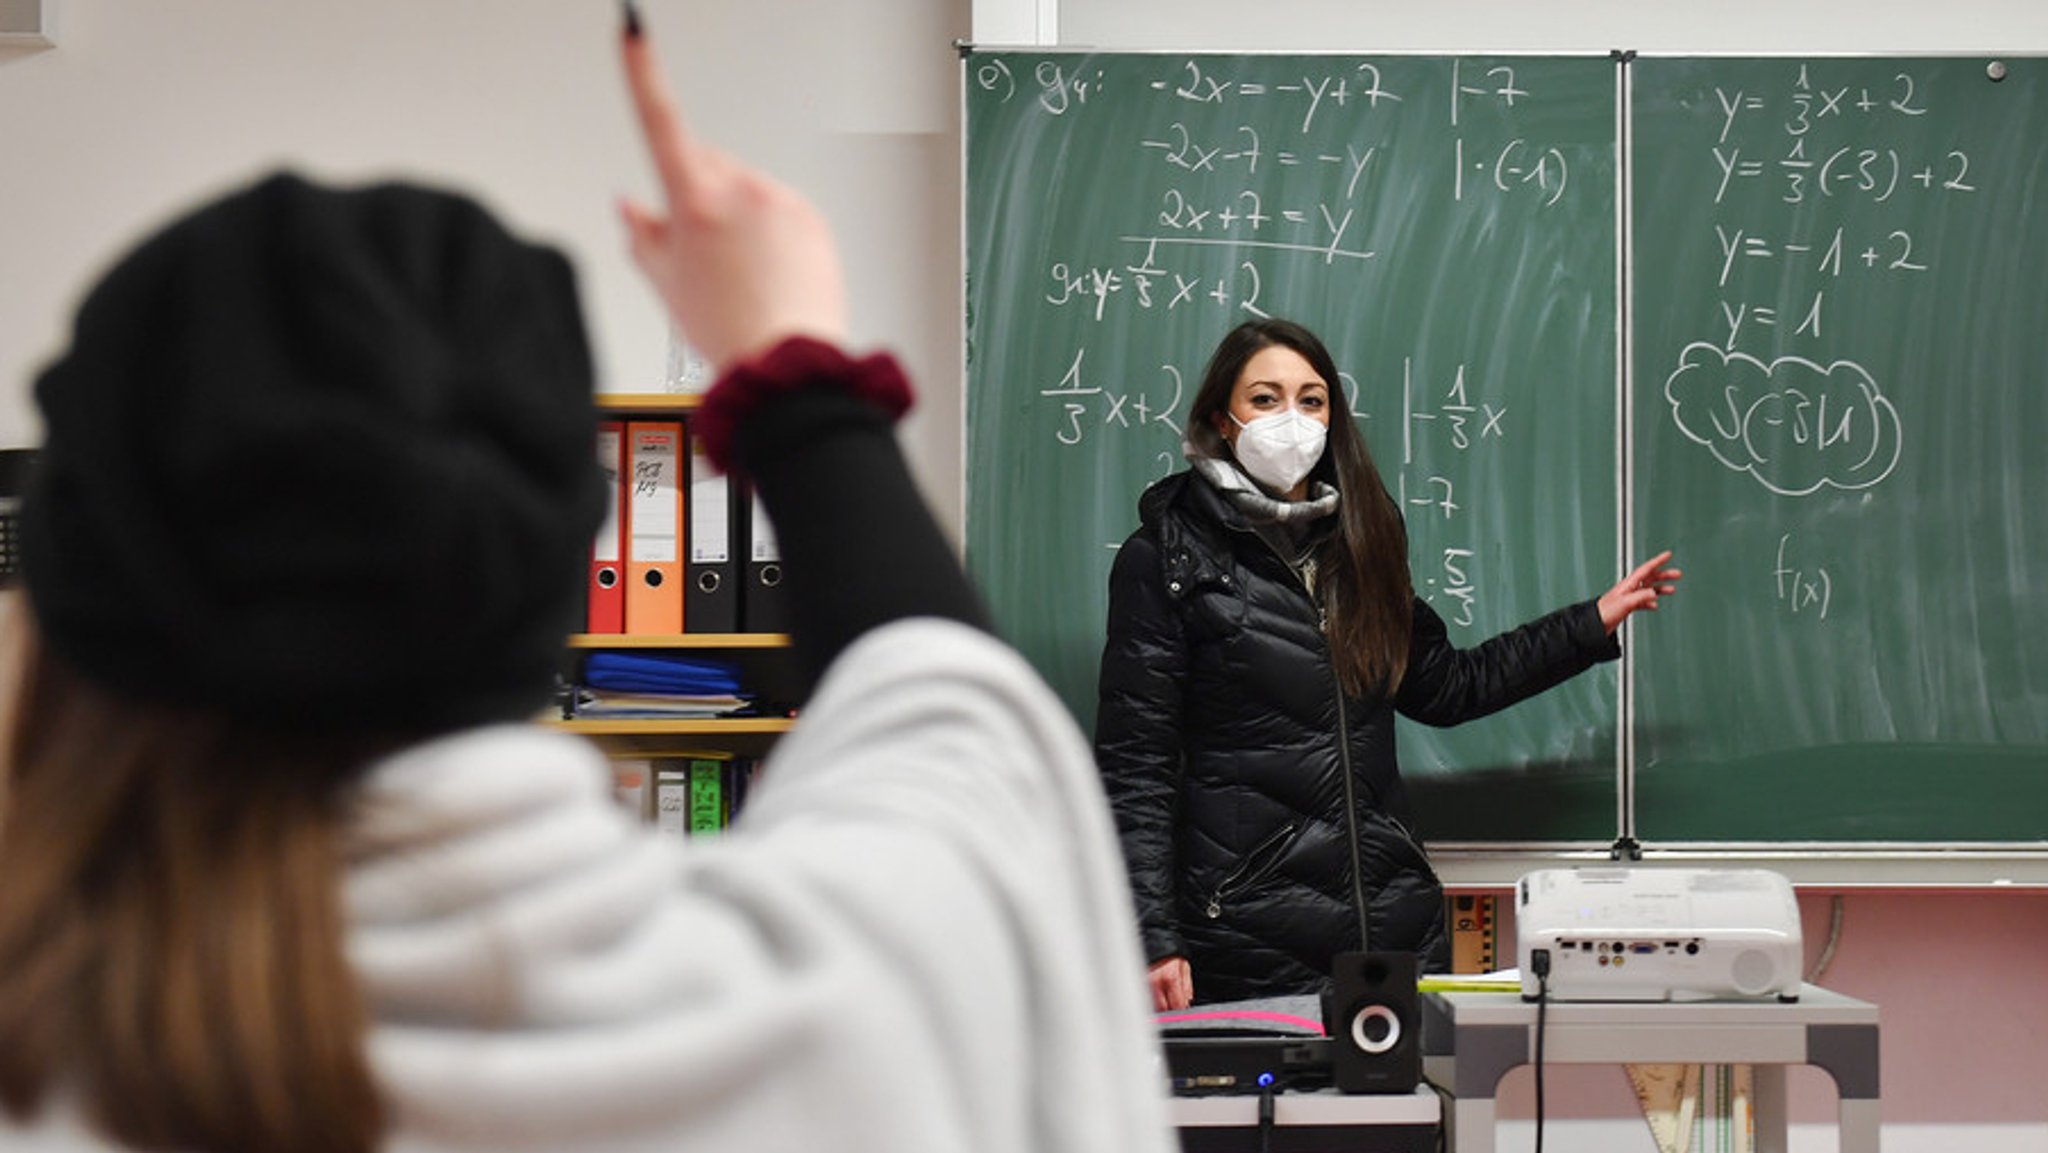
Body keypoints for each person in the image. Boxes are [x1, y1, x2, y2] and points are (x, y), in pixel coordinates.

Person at [0, 11, 1175, 1153]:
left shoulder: (47, 1082)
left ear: (71, 603)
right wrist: (786, 363)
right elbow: (948, 704)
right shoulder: (866, 980)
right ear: (570, 560)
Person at [1095, 317, 1681, 1011]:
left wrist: (1588, 624)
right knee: (1272, 1116)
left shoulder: (1361, 541)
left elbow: (1450, 686)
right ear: (1222, 419)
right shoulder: (1166, 557)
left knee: (1406, 1117)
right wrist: (1153, 935)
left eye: (1312, 400)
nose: (1292, 419)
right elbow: (1137, 767)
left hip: (1391, 925)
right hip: (1249, 933)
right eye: (1266, 398)